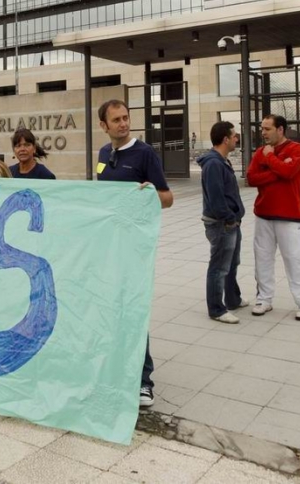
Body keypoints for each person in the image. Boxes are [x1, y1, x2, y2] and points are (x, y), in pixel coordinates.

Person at [95, 99, 173, 408]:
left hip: (133, 249)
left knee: (133, 310)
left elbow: (167, 198)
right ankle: (117, 370)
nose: (123, 124)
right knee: (111, 311)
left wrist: (151, 195)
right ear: (104, 125)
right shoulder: (104, 154)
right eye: (116, 120)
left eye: (126, 117)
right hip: (108, 247)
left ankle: (144, 381)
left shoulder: (145, 154)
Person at [246, 114, 300, 321]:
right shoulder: (259, 152)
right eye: (262, 128)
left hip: (289, 216)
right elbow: (251, 178)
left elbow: (289, 171)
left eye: (267, 129)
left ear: (281, 129)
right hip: (264, 214)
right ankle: (264, 299)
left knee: (295, 259)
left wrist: (270, 160)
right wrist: (278, 171)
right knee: (263, 259)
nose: (263, 133)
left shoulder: (297, 149)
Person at [198, 122, 247, 324]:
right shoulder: (213, 164)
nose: (237, 138)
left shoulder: (221, 161)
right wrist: (229, 218)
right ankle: (217, 309)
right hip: (222, 224)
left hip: (230, 223)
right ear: (226, 139)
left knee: (232, 263)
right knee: (219, 266)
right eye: (234, 135)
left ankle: (233, 299)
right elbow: (216, 199)